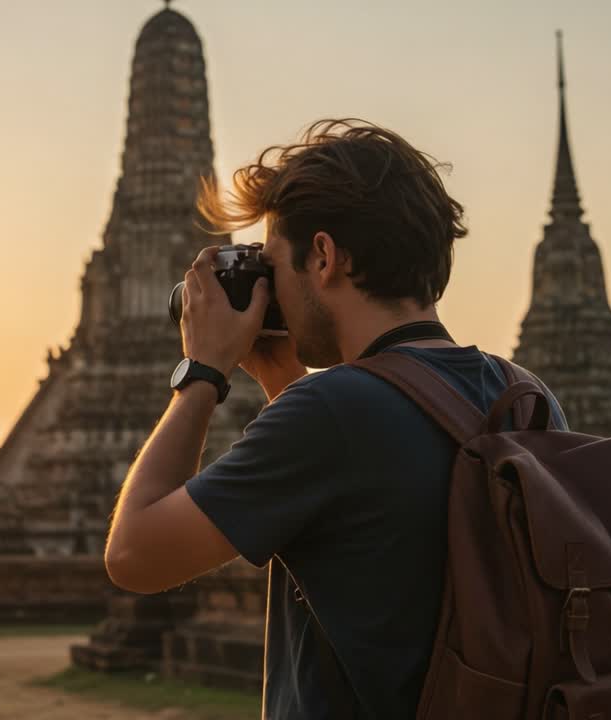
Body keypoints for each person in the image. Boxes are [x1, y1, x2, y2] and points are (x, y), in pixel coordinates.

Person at [104, 119, 567, 718]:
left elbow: (134, 556)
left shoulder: (333, 414)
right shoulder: (526, 394)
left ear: (323, 257)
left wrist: (201, 373)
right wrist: (281, 383)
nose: (272, 294)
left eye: (274, 268)